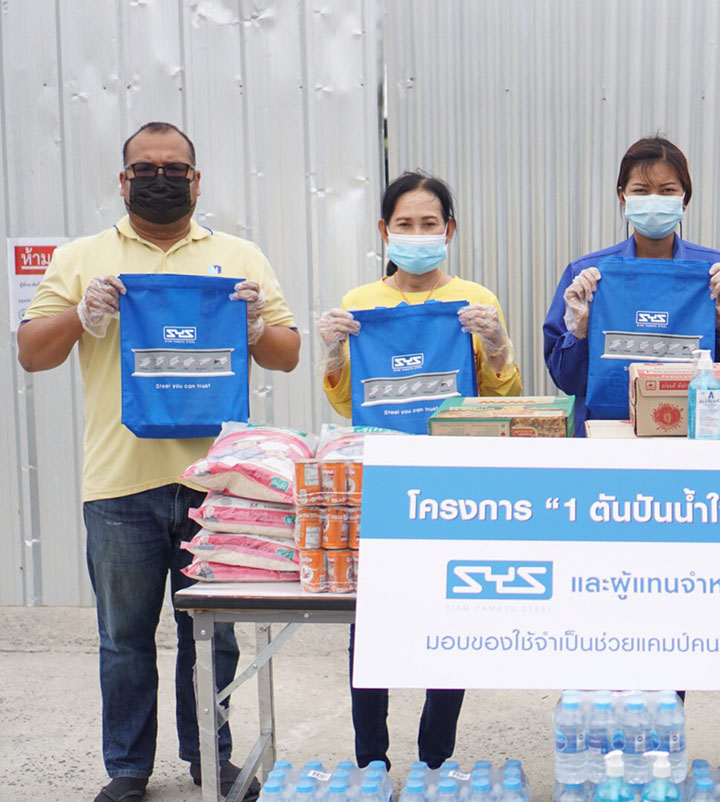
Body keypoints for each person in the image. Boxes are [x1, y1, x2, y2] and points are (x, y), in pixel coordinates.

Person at [17, 121, 300, 802]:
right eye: (145, 169)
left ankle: (210, 758)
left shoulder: (239, 256)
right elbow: (31, 352)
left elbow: (287, 353)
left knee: (214, 638)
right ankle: (127, 768)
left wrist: (257, 326)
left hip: (219, 486)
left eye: (175, 168)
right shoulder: (82, 258)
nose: (160, 178)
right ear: (123, 181)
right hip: (120, 484)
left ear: (196, 181)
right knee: (124, 638)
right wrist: (81, 315)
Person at [318, 171, 522, 769]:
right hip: (378, 482)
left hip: (451, 484)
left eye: (428, 223)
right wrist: (333, 354)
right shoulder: (360, 303)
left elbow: (499, 399)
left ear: (448, 230)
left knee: (449, 619)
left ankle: (435, 760)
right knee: (371, 626)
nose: (416, 234)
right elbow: (349, 403)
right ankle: (371, 763)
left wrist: (498, 346)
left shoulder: (475, 300)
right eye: (404, 224)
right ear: (384, 231)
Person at [543, 136, 720, 434]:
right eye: (641, 191)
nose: (654, 200)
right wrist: (580, 332)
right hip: (605, 438)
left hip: (693, 437)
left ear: (684, 198)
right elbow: (566, 380)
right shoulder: (587, 276)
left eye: (667, 190)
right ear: (622, 197)